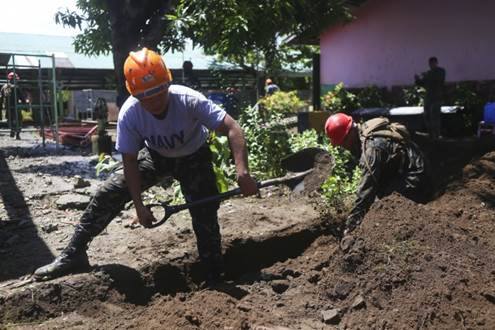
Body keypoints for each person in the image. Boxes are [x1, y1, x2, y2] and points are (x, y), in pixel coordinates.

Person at [34, 48, 258, 284]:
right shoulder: (130, 113)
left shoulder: (188, 99)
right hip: (156, 155)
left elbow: (233, 128)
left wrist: (242, 172)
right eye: (145, 97)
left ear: (167, 84)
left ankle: (214, 274)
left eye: (158, 93)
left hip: (194, 156)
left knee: (205, 214)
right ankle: (73, 254)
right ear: (135, 94)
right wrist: (139, 206)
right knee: (109, 191)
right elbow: (129, 160)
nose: (154, 102)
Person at [325, 113, 431, 235]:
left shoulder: (371, 150)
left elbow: (366, 189)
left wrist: (351, 225)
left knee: (380, 207)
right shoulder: (364, 131)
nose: (343, 147)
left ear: (350, 133)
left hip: (416, 177)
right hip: (409, 168)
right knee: (378, 196)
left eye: (343, 142)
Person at [415, 57, 446, 140]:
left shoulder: (440, 71)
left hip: (437, 98)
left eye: (433, 63)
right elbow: (422, 84)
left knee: (435, 116)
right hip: (428, 98)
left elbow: (438, 79)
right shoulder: (429, 73)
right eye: (430, 64)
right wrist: (417, 79)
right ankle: (431, 134)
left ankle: (437, 135)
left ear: (436, 63)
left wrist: (427, 75)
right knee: (427, 116)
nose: (432, 65)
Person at [0, 72, 26, 139]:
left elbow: (1, 98)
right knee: (19, 119)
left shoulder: (4, 87)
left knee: (10, 119)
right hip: (15, 106)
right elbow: (22, 97)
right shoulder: (16, 87)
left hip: (7, 106)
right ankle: (17, 133)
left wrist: (1, 106)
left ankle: (12, 130)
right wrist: (25, 105)